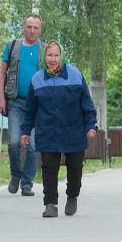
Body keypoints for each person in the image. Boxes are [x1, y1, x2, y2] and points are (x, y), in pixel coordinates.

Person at [20, 41, 97, 217]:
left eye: (56, 55)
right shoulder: (37, 79)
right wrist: (26, 130)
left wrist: (91, 124)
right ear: (44, 58)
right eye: (49, 55)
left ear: (61, 56)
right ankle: (50, 204)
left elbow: (87, 103)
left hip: (74, 130)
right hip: (47, 131)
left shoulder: (75, 75)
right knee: (49, 167)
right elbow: (30, 109)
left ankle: (72, 196)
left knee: (75, 167)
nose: (53, 59)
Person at [0, 14, 45, 197]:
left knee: (33, 145)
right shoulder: (12, 46)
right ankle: (15, 175)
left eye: (36, 28)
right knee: (14, 142)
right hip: (15, 102)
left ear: (40, 30)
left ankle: (27, 183)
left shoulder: (44, 50)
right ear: (23, 27)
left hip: (37, 106)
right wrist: (1, 98)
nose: (32, 31)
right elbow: (1, 74)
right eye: (29, 27)